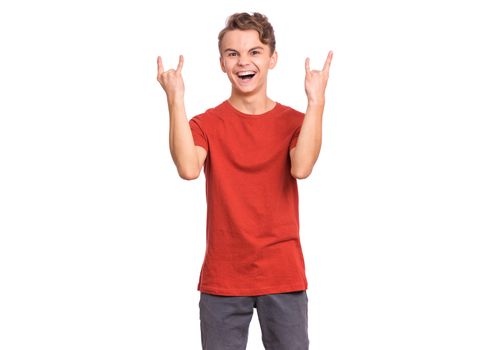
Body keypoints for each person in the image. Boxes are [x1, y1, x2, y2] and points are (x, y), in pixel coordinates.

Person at [157, 12, 333, 350]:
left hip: (283, 274)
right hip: (223, 278)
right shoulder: (206, 123)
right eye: (232, 54)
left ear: (272, 59)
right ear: (222, 63)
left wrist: (317, 102)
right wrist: (175, 100)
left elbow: (302, 167)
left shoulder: (296, 121)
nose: (243, 62)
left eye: (254, 52)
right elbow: (188, 168)